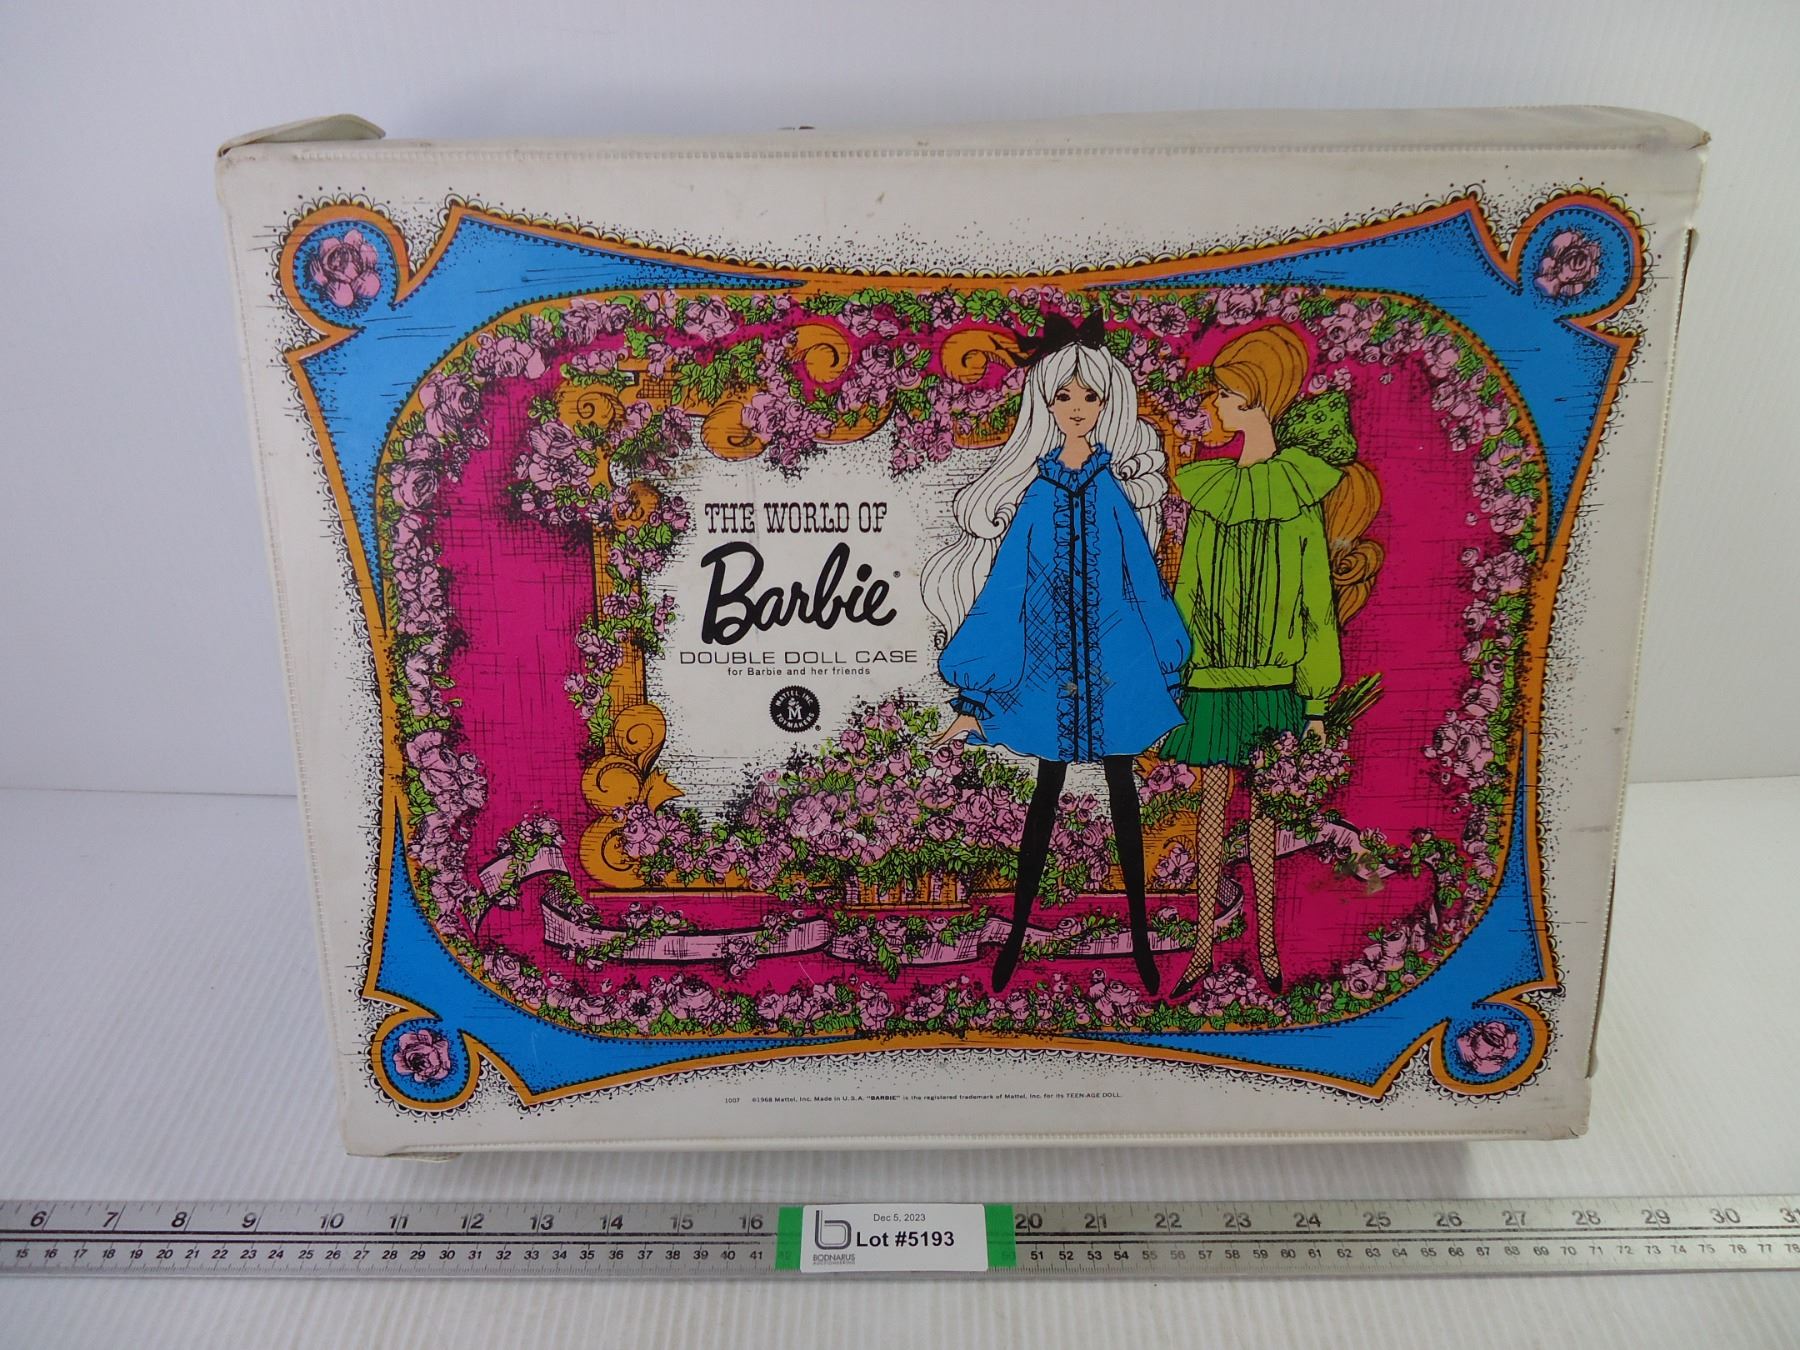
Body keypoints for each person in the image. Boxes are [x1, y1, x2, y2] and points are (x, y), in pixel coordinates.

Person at [923, 312, 1191, 995]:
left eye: (1089, 396)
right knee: (1044, 799)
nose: (1076, 408)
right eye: (1064, 396)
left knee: (1124, 797)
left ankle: (1141, 940)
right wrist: (974, 695)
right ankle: (1015, 936)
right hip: (1045, 676)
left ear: (1107, 403)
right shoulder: (1037, 496)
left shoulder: (1113, 493)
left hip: (1115, 670)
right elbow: (1004, 592)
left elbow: (1142, 580)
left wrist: (1167, 665)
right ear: (1045, 405)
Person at [1161, 324, 1350, 1000]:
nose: (1213, 405)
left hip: (1275, 685)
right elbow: (1188, 592)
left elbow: (1316, 603)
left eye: (1224, 394)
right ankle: (1204, 947)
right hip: (1212, 682)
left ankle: (1269, 948)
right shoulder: (1209, 490)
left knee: (1266, 823)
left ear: (1255, 400)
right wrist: (1175, 675)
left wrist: (1318, 702)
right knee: (1211, 818)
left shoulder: (1298, 495)